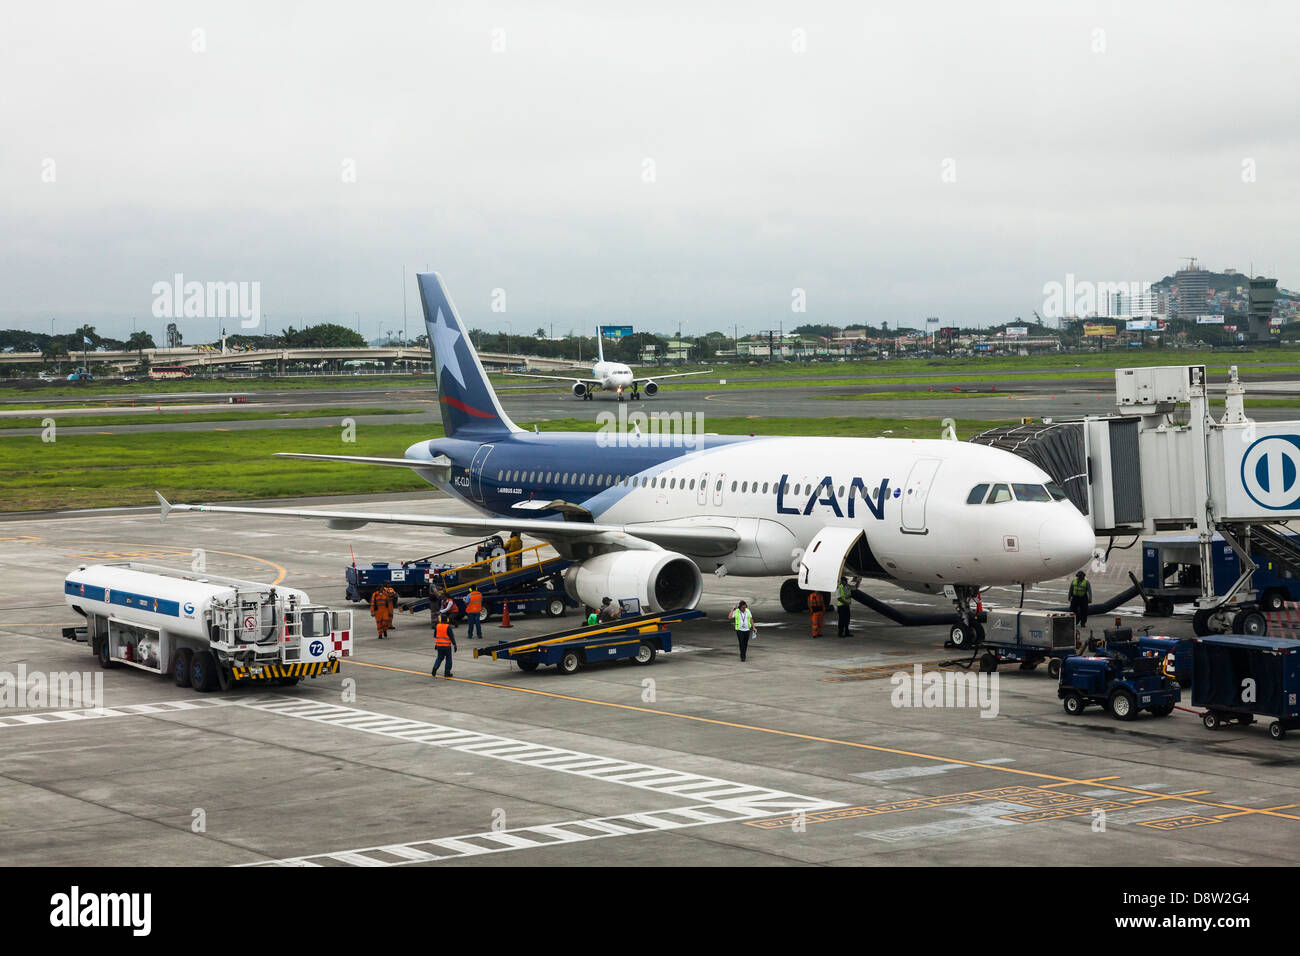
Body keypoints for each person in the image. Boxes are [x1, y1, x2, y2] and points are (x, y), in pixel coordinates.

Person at [431, 614, 457, 678]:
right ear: (447, 620)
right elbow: (451, 637)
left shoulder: (437, 626)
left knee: (439, 658)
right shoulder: (448, 627)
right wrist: (454, 644)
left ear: (440, 620)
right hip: (447, 646)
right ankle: (447, 673)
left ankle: (434, 668)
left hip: (439, 645)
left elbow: (435, 635)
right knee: (448, 659)